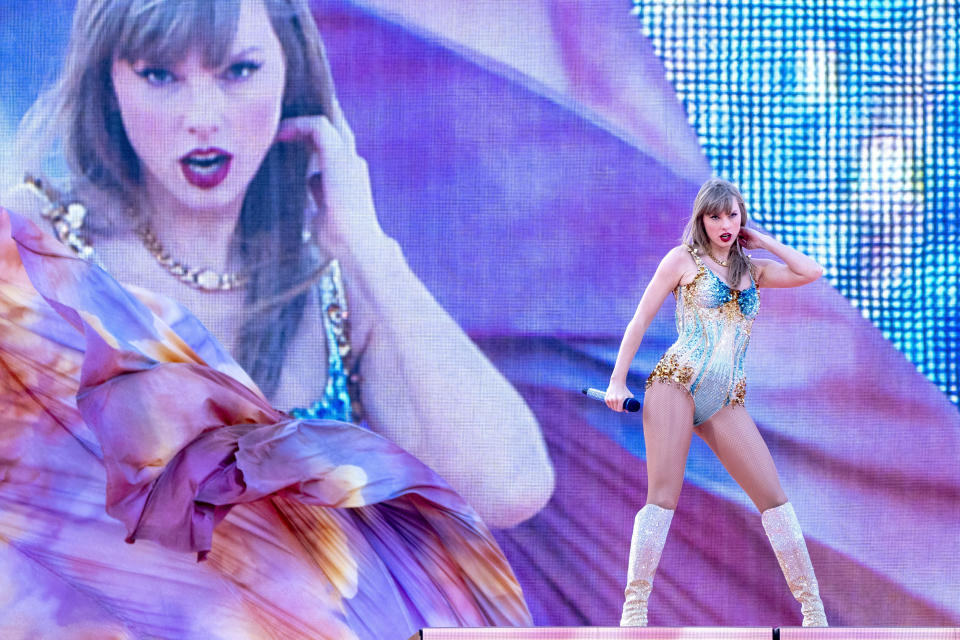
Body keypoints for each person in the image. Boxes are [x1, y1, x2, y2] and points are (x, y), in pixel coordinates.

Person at [0, 0, 548, 636]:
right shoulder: (42, 263)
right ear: (108, 82)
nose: (202, 119)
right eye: (159, 74)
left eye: (238, 71)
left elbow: (511, 487)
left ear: (292, 73)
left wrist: (370, 247)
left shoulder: (336, 293)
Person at [603, 178, 828, 627]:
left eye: (732, 215)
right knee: (663, 496)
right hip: (675, 383)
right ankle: (633, 613)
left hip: (725, 396)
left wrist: (760, 240)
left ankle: (814, 616)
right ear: (701, 220)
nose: (725, 224)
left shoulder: (754, 270)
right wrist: (616, 381)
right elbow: (640, 318)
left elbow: (810, 271)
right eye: (715, 216)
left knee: (775, 500)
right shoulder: (682, 261)